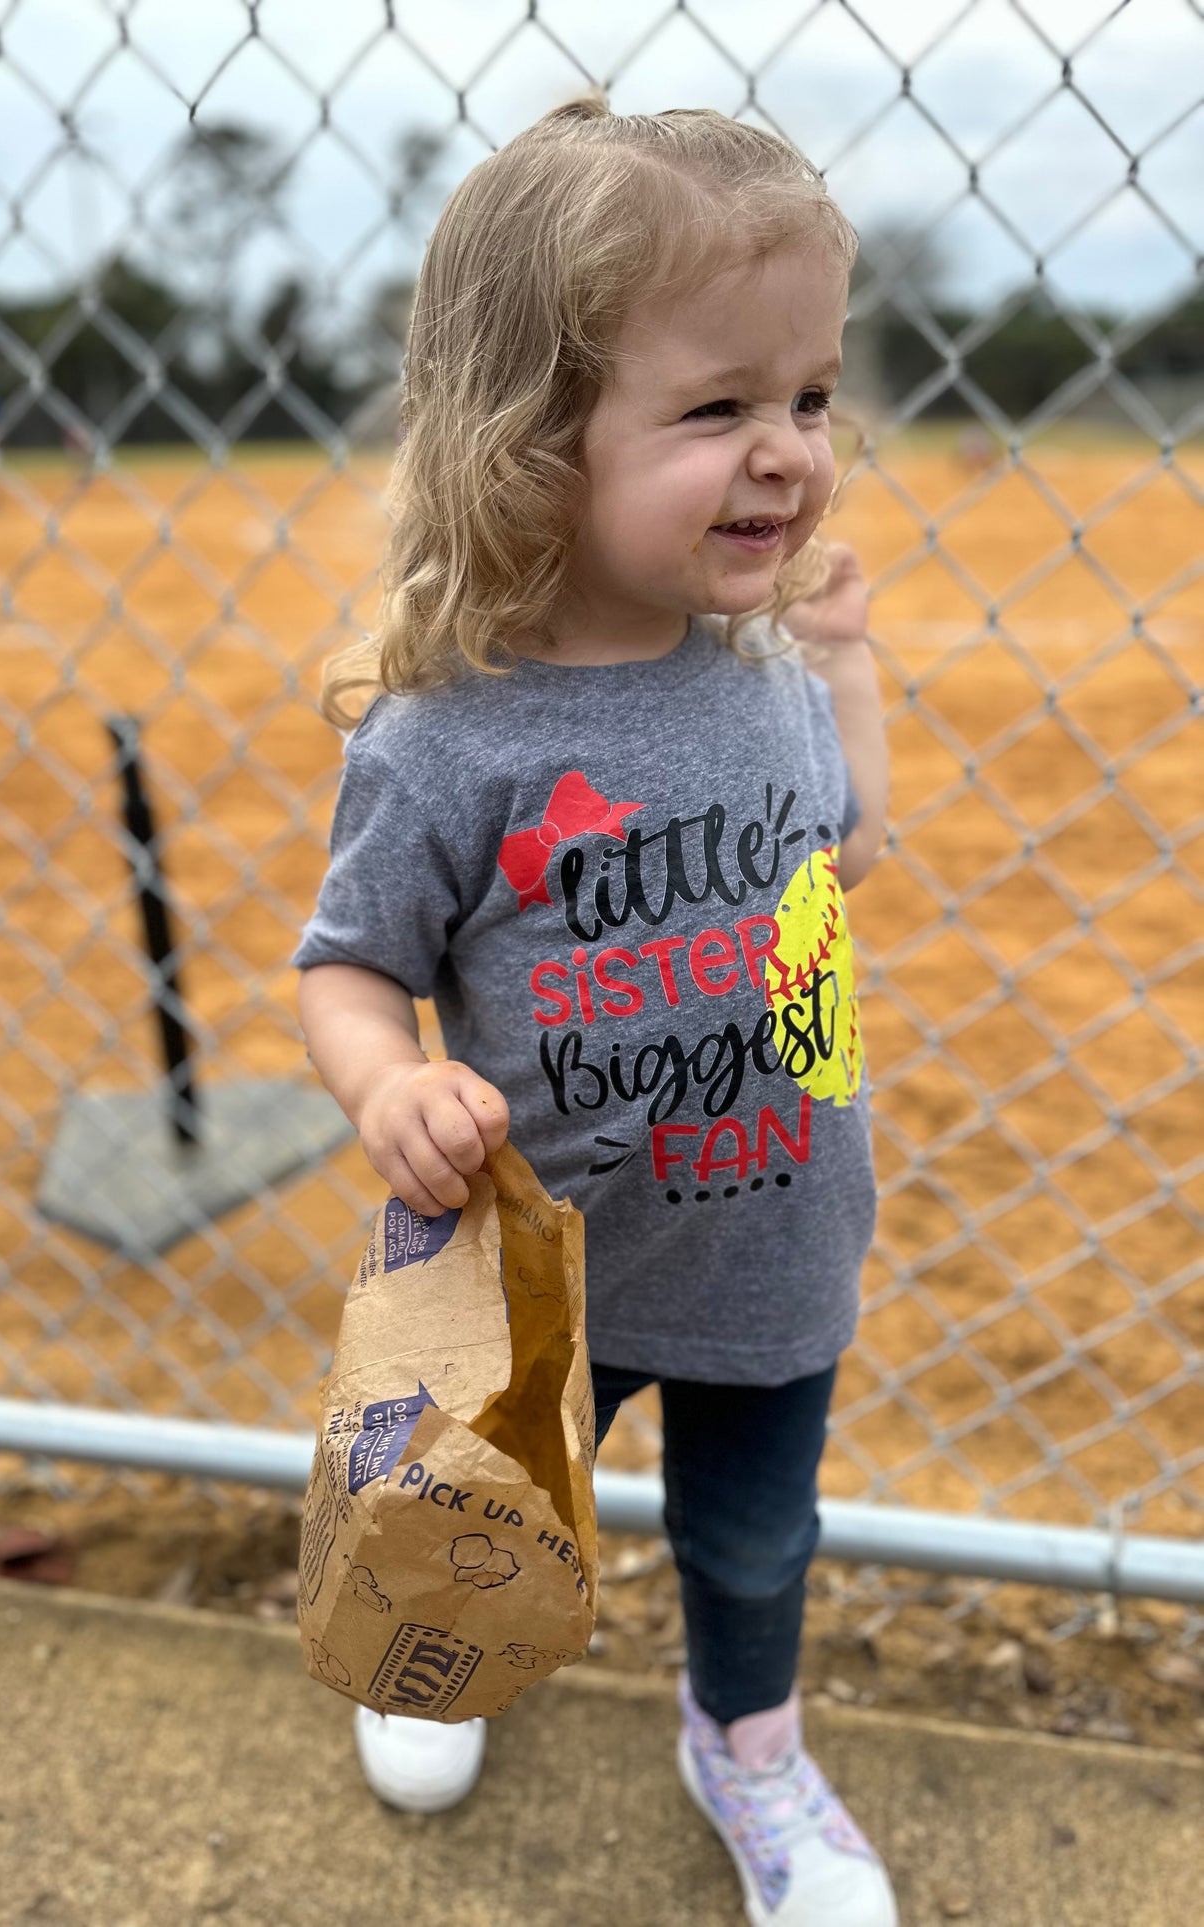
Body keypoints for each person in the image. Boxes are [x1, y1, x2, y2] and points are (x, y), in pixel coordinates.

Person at [292, 94, 894, 1927]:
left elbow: (844, 857)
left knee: (749, 1537)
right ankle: (433, 1662)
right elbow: (345, 963)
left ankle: (748, 1753)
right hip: (538, 1253)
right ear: (530, 443)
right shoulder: (446, 732)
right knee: (477, 1511)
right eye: (716, 408)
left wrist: (852, 669)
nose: (785, 451)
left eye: (805, 396)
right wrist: (386, 1079)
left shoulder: (771, 665)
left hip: (771, 1237)